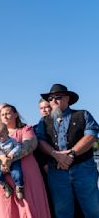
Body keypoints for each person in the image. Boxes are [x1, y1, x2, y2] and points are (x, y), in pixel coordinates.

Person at [36, 83, 99, 217]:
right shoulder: (43, 121)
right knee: (62, 212)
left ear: (67, 98)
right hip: (57, 173)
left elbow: (92, 135)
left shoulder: (83, 114)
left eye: (57, 97)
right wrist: (56, 155)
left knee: (93, 209)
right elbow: (40, 141)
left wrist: (71, 154)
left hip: (84, 170)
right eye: (51, 99)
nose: (53, 101)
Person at [0, 104, 50, 218]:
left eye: (7, 113)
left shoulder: (26, 129)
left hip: (26, 175)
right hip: (2, 173)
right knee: (5, 209)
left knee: (29, 205)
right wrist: (3, 160)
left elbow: (29, 145)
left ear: (16, 114)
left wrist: (9, 160)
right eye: (2, 114)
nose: (5, 116)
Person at [0, 122, 24, 199]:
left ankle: (19, 187)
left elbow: (18, 147)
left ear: (7, 133)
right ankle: (6, 186)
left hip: (13, 161)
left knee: (17, 174)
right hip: (1, 162)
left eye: (1, 136)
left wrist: (12, 153)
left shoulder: (12, 141)